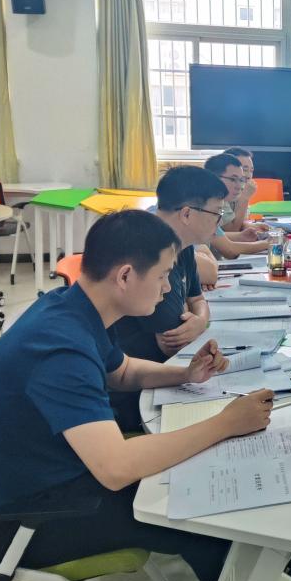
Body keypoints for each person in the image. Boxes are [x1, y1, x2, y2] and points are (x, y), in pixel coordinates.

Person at [0, 210, 274, 581]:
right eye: (162, 275)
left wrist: (186, 374)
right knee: (194, 515)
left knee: (191, 477)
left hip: (40, 480)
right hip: (7, 524)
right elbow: (116, 468)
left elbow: (120, 371)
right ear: (124, 276)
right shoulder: (60, 348)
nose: (167, 288)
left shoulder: (71, 307)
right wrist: (226, 423)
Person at [110, 166, 228, 430]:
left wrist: (200, 321)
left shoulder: (181, 247)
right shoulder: (149, 255)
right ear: (186, 214)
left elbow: (198, 300)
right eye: (217, 213)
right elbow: (172, 344)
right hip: (141, 398)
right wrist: (198, 322)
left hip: (165, 375)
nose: (220, 223)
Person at [195, 153, 270, 289]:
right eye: (233, 179)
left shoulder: (214, 203)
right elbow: (229, 250)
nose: (240, 186)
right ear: (213, 178)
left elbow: (214, 237)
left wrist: (241, 236)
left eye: (241, 180)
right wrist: (269, 243)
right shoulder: (203, 207)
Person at [221, 146, 270, 236]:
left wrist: (249, 226)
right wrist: (245, 198)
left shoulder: (239, 189)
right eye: (244, 170)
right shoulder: (219, 193)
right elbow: (232, 230)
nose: (249, 176)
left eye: (251, 171)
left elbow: (240, 222)